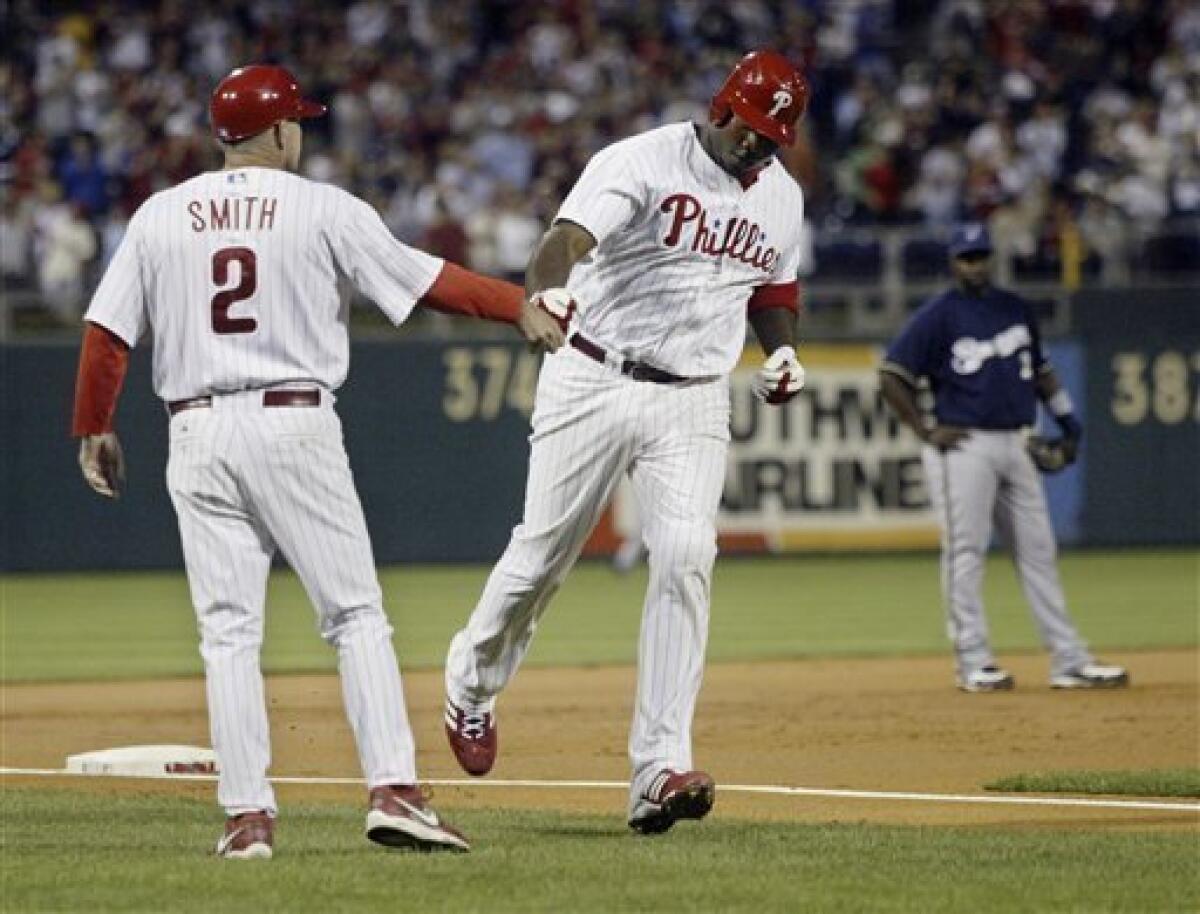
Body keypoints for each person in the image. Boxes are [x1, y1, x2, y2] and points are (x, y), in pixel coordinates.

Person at [71, 64, 565, 859]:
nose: (301, 131)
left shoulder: (160, 216)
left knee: (227, 633)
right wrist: (519, 306)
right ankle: (395, 792)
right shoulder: (322, 206)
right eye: (296, 121)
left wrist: (94, 427)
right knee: (355, 615)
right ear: (274, 132)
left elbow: (106, 336)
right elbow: (428, 279)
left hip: (193, 433)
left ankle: (246, 820)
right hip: (291, 421)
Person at [442, 50, 810, 835]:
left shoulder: (783, 197)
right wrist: (543, 289)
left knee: (686, 556)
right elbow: (566, 238)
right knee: (542, 555)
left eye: (776, 136)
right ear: (721, 110)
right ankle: (471, 685)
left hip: (695, 397)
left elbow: (774, 287)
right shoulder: (642, 160)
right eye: (752, 129)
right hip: (594, 374)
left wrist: (781, 348)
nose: (761, 146)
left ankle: (658, 768)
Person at [878, 223, 1129, 693]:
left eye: (980, 256)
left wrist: (1069, 422)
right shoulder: (938, 315)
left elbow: (1043, 373)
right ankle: (972, 660)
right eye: (966, 257)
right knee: (965, 552)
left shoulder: (1014, 309)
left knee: (1039, 552)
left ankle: (1069, 658)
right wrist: (924, 430)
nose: (974, 264)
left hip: (1018, 440)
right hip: (964, 446)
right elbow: (892, 375)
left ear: (991, 258)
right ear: (953, 261)